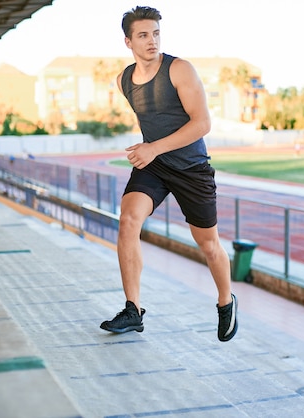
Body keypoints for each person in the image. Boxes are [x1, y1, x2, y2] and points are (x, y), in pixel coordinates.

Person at [100, 6, 238, 342]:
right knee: (129, 219)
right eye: (144, 35)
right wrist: (152, 151)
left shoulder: (179, 70)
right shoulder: (123, 81)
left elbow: (202, 124)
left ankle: (225, 301)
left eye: (156, 33)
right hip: (156, 167)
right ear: (128, 42)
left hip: (192, 169)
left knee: (208, 245)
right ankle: (133, 309)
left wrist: (153, 148)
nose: (152, 41)